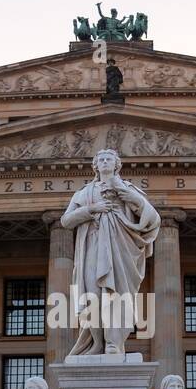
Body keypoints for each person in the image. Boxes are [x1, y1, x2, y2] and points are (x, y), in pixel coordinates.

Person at [59, 149, 159, 357]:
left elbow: (152, 219)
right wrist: (92, 209)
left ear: (117, 165)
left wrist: (131, 197)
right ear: (95, 166)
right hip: (93, 249)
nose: (104, 162)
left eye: (109, 159)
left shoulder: (128, 189)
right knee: (92, 295)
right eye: (101, 159)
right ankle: (96, 342)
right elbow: (66, 221)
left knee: (117, 296)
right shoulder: (84, 193)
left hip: (121, 250)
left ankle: (113, 342)